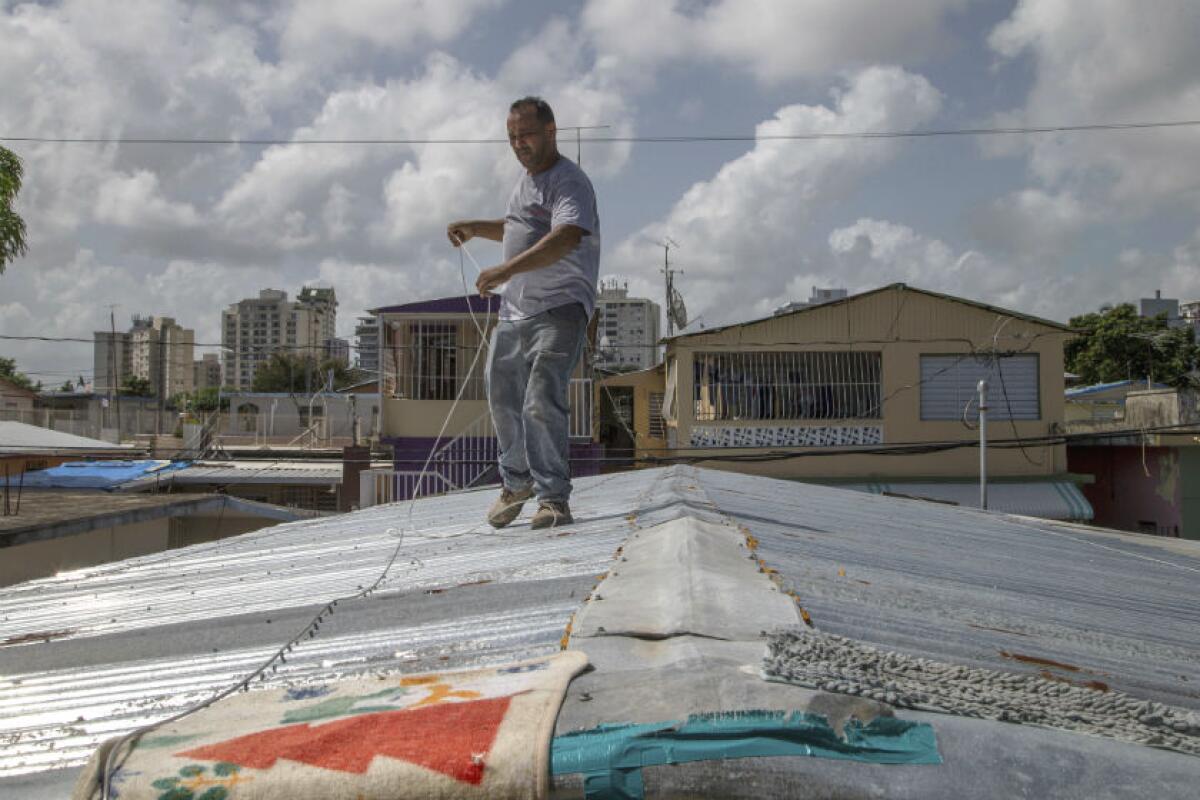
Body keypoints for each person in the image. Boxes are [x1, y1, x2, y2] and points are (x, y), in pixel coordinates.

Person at [447, 96, 600, 529]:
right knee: (502, 399)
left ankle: (553, 499)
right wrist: (477, 228)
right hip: (515, 313)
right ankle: (516, 483)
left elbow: (565, 236)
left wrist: (505, 270)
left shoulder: (570, 181)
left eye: (526, 135)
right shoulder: (523, 183)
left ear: (551, 132)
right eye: (512, 137)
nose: (518, 145)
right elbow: (518, 227)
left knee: (539, 399)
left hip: (561, 308)